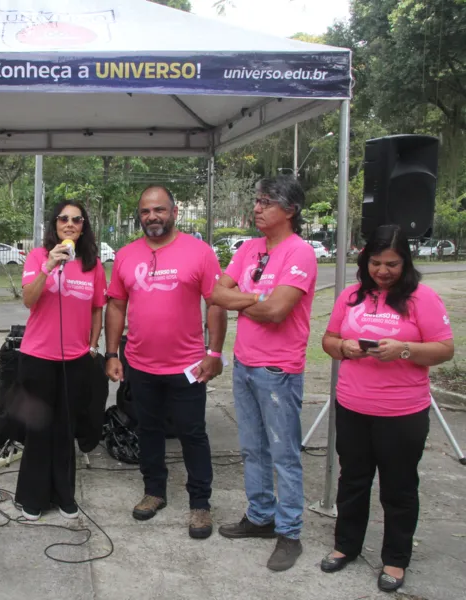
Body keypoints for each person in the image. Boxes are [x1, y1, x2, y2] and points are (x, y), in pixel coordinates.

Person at [319, 224, 454, 592]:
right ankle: (346, 546)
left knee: (398, 488)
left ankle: (395, 559)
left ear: (405, 263)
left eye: (391, 264)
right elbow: (328, 340)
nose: (382, 271)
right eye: (375, 263)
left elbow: (444, 349)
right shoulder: (351, 295)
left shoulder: (422, 299)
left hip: (402, 413)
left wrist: (403, 349)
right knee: (353, 481)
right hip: (353, 406)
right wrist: (344, 347)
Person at [104, 186, 227, 539]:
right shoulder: (127, 255)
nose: (152, 217)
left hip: (188, 366)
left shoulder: (199, 252)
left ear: (174, 212)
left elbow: (216, 305)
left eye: (159, 210)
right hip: (141, 364)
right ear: (138, 215)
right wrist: (112, 354)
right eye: (145, 211)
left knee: (192, 434)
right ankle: (154, 491)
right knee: (149, 431)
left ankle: (200, 504)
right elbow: (116, 305)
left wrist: (214, 354)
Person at [211, 176, 317, 571]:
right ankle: (260, 517)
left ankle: (289, 532)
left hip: (278, 370)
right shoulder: (250, 249)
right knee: (252, 448)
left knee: (284, 454)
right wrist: (255, 299)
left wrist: (244, 302)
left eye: (267, 202)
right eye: (257, 201)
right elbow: (216, 293)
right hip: (245, 364)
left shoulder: (300, 252)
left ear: (289, 210)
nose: (257, 208)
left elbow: (277, 313)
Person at [15, 200, 107, 520]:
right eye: (63, 219)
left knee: (65, 427)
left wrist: (93, 346)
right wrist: (48, 267)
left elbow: (98, 308)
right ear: (54, 225)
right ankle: (33, 496)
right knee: (39, 428)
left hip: (76, 358)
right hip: (38, 357)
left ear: (84, 227)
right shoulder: (39, 256)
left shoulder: (92, 264)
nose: (70, 224)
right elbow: (29, 299)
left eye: (77, 220)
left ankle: (65, 494)